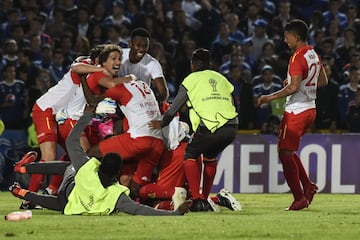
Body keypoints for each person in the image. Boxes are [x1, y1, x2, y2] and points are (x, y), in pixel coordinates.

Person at [9, 103, 192, 216]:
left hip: (68, 188)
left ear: (101, 164)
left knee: (67, 166)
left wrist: (87, 115)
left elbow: (72, 140)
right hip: (68, 204)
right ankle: (23, 190)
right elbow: (140, 210)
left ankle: (25, 170)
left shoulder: (88, 167)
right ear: (117, 173)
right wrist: (174, 214)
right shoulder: (117, 194)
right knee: (60, 203)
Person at [13, 46, 106, 209]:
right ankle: (27, 193)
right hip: (45, 109)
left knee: (74, 155)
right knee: (49, 156)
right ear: (97, 59)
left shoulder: (95, 76)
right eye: (105, 60)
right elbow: (76, 67)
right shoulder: (85, 63)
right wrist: (100, 67)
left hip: (59, 115)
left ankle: (51, 190)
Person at [151, 48, 238, 211]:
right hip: (232, 127)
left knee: (190, 155)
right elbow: (234, 102)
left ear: (193, 65)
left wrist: (161, 123)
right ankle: (204, 198)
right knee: (210, 158)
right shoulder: (221, 78)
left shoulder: (191, 79)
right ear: (210, 63)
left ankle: (198, 200)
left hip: (210, 125)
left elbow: (173, 108)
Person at [257, 19, 328, 210]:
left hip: (296, 111)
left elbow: (294, 87)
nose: (284, 39)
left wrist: (269, 97)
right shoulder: (313, 54)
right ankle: (308, 186)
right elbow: (323, 81)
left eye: (287, 36)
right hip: (310, 109)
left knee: (284, 153)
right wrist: (297, 83)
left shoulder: (297, 57)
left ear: (296, 37)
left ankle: (299, 198)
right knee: (288, 150)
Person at [118, 27, 169, 104]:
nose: (141, 49)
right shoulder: (118, 56)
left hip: (141, 103)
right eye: (138, 45)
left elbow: (163, 93)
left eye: (145, 46)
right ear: (130, 44)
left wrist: (154, 104)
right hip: (118, 98)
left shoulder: (153, 63)